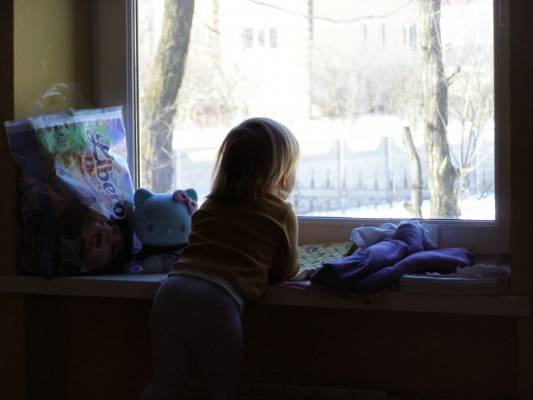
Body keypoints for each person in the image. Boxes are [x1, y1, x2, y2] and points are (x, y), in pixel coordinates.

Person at [141, 117, 300, 400]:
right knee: (222, 389)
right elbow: (285, 271)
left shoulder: (209, 206)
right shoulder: (281, 213)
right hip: (216, 302)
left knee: (166, 382)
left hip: (171, 291)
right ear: (282, 172)